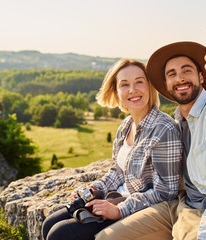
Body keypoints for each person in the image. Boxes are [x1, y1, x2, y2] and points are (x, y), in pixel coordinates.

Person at [95, 29, 206, 240]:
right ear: (166, 85)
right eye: (171, 74)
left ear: (200, 76)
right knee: (106, 238)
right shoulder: (178, 121)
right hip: (181, 205)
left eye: (186, 71)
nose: (179, 78)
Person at [41, 59, 183, 240]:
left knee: (59, 234)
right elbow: (117, 172)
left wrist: (118, 210)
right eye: (125, 85)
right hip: (113, 199)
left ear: (149, 86)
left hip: (136, 208)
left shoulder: (164, 129)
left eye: (139, 81)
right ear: (117, 91)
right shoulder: (126, 125)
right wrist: (94, 189)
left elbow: (165, 192)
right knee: (49, 224)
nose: (133, 90)